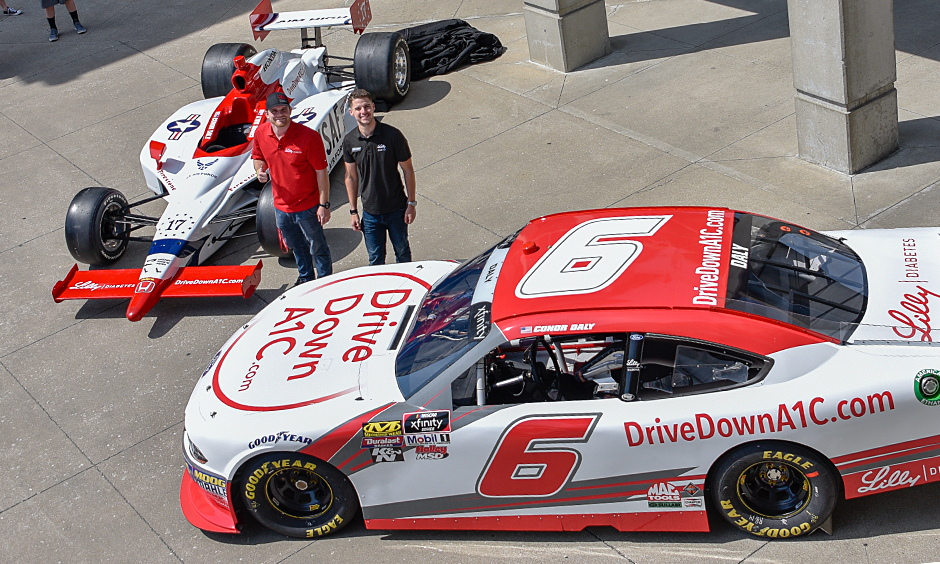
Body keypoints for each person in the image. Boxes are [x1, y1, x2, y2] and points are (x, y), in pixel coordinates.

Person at [252, 92, 333, 286]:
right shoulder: (261, 133)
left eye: (284, 110)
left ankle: (324, 281)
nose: (280, 114)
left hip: (308, 207)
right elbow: (257, 156)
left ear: (290, 111)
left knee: (317, 246)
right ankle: (305, 278)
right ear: (267, 114)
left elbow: (321, 172)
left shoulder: (309, 137)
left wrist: (324, 204)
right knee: (297, 247)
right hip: (280, 208)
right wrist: (259, 171)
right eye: (275, 111)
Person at [342, 89, 417, 265]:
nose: (363, 112)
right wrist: (353, 211)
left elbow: (408, 170)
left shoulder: (393, 136)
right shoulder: (349, 141)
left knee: (402, 252)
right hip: (370, 214)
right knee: (375, 259)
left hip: (397, 210)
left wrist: (411, 204)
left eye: (367, 106)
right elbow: (350, 177)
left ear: (373, 107)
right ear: (351, 112)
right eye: (358, 108)